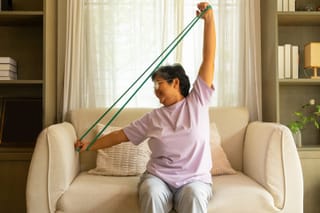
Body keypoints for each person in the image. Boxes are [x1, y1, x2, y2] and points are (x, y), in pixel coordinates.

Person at [75, 2, 216, 213]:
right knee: (151, 191)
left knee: (194, 196)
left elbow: (209, 59)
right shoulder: (153, 118)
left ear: (175, 83)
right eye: (154, 86)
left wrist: (209, 20)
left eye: (159, 84)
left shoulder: (197, 101)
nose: (155, 90)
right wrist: (90, 145)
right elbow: (120, 136)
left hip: (195, 180)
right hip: (159, 179)